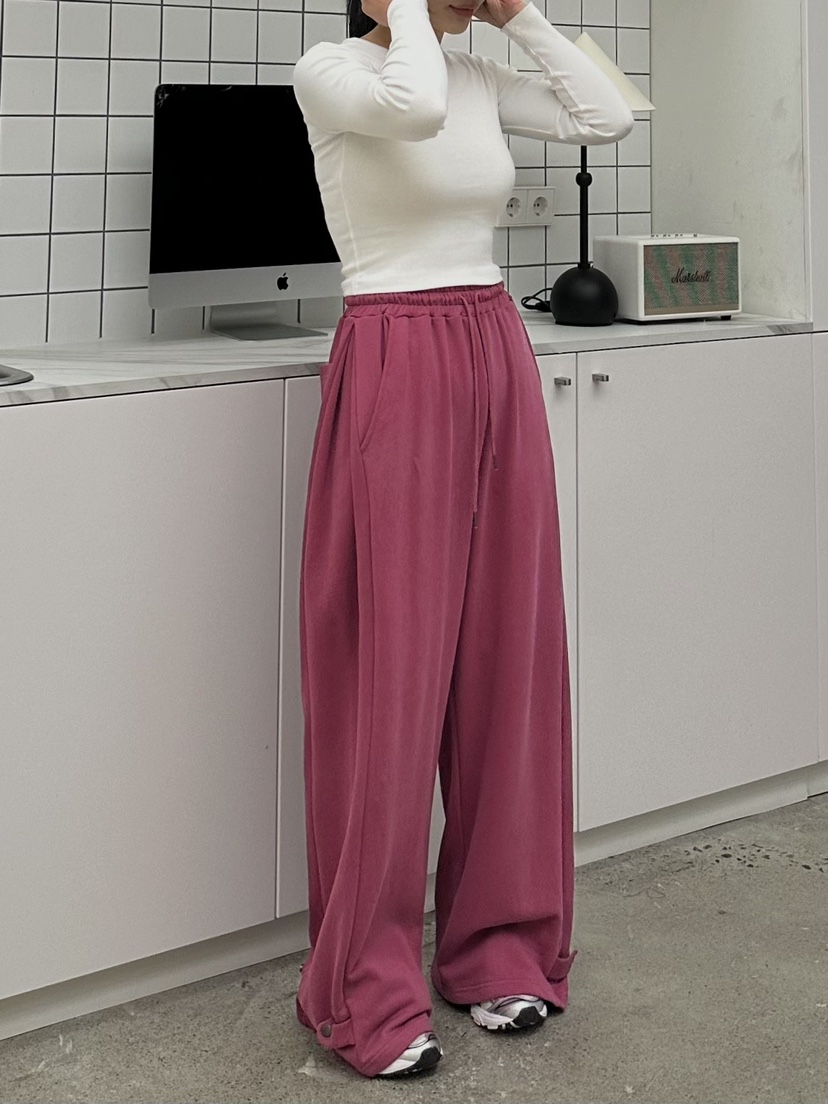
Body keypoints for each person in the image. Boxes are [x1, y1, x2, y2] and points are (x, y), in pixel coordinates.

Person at [291, 0, 633, 1080]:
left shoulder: (477, 74)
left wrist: (520, 14)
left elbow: (606, 115)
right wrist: (404, 8)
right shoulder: (332, 69)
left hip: (494, 344)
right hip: (394, 347)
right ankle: (365, 987)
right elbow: (415, 104)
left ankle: (501, 949)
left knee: (506, 659)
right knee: (392, 674)